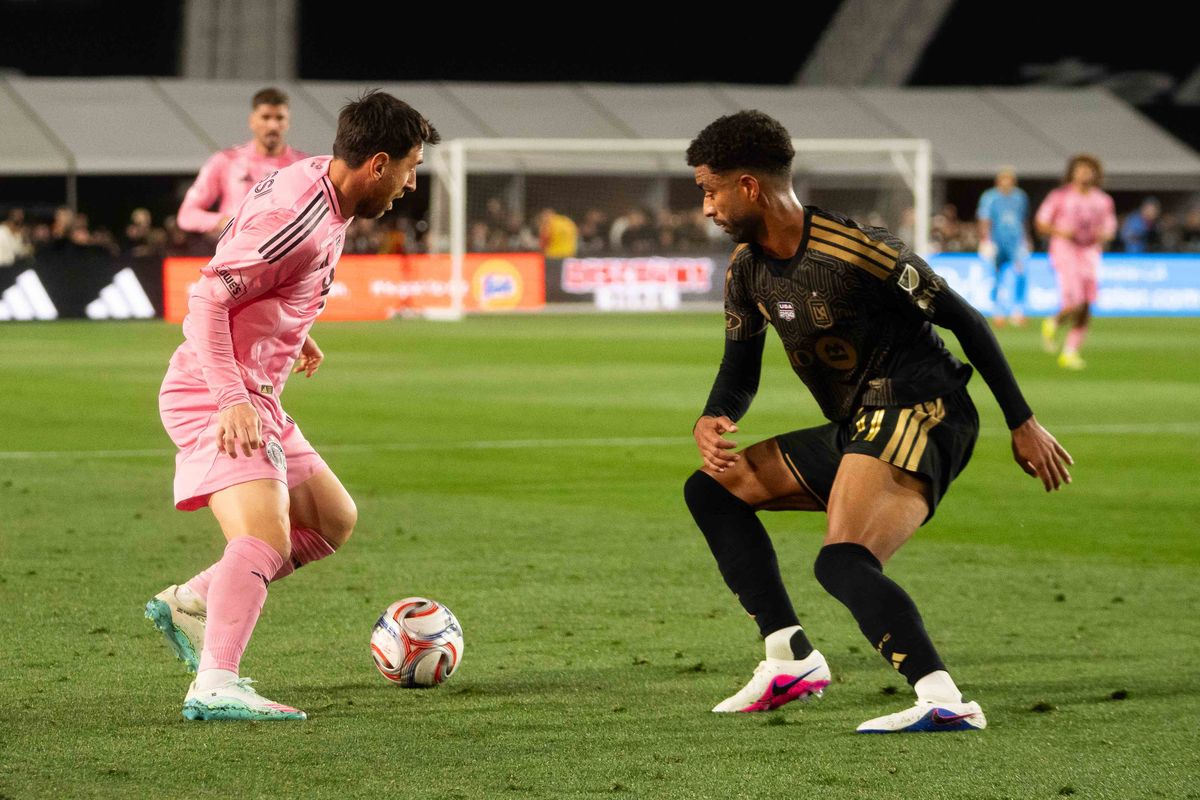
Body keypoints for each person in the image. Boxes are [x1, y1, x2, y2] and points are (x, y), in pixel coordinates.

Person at [682, 111, 1072, 733]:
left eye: (710, 188)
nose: (705, 206)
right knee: (712, 490)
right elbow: (739, 368)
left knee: (841, 561)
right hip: (859, 424)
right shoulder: (746, 268)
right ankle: (788, 657)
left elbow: (967, 322)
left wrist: (1021, 422)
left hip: (925, 408)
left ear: (749, 186)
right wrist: (716, 414)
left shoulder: (861, 251)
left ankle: (943, 698)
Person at [145, 90, 440, 721]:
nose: (412, 185)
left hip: (257, 388)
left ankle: (193, 602)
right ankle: (215, 682)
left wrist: (290, 327)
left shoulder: (317, 185)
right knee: (265, 536)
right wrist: (229, 397)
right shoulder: (298, 214)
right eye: (412, 167)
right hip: (216, 392)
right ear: (379, 163)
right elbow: (206, 301)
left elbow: (257, 277)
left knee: (331, 520)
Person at [177, 87, 309, 236]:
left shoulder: (303, 165)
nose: (273, 126)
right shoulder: (226, 161)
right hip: (236, 252)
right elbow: (186, 215)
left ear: (288, 122)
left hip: (288, 253)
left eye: (279, 118)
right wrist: (225, 222)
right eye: (265, 117)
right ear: (252, 120)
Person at [1035, 154, 1117, 370]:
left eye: (1088, 169)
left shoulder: (1103, 200)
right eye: (1080, 169)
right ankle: (1054, 320)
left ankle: (1070, 351)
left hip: (1089, 252)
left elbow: (1110, 228)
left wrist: (1104, 234)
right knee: (1075, 302)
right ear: (1072, 172)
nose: (1084, 173)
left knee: (1087, 305)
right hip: (1065, 249)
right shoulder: (1059, 196)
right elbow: (1041, 223)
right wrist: (1060, 230)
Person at [976, 168, 1031, 326]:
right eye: (1003, 179)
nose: (1006, 182)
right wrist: (986, 240)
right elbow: (984, 219)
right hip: (997, 242)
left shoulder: (1020, 197)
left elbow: (1023, 219)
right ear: (998, 181)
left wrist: (1026, 239)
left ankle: (1018, 311)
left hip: (1016, 242)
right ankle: (998, 311)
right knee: (996, 277)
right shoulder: (990, 197)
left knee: (1021, 274)